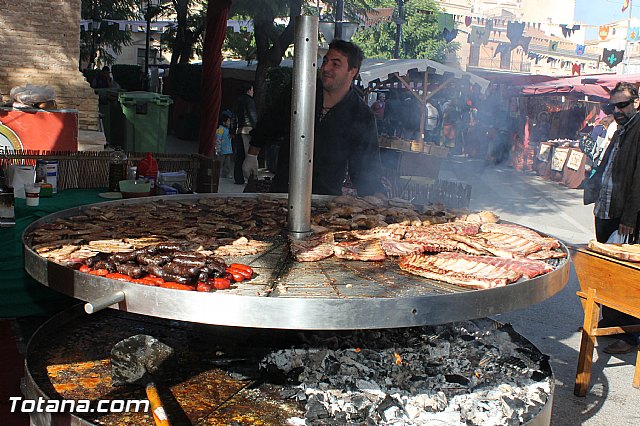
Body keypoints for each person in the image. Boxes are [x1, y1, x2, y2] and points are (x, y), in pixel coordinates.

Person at [242, 40, 383, 196]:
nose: (326, 68)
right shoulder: (300, 92)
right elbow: (270, 122)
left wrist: (376, 197)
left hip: (325, 199)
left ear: (353, 71)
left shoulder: (361, 115)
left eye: (335, 64)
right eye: (325, 61)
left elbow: (365, 169)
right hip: (283, 191)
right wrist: (252, 154)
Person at [587, 82, 640, 354]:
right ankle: (611, 322)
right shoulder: (620, 130)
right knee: (606, 269)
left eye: (623, 105)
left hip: (624, 215)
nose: (618, 110)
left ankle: (630, 335)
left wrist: (630, 217)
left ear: (636, 103)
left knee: (625, 276)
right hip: (605, 210)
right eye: (613, 106)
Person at [232, 82, 258, 184]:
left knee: (239, 156)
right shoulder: (250, 101)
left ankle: (238, 178)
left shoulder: (237, 100)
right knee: (250, 155)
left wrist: (232, 130)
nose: (253, 91)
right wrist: (256, 129)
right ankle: (252, 177)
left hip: (239, 129)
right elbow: (252, 115)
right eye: (252, 89)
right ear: (249, 90)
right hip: (248, 130)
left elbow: (233, 116)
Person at [215, 110, 234, 179]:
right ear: (224, 122)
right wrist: (218, 149)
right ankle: (218, 174)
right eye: (228, 121)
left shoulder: (228, 130)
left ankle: (226, 174)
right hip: (221, 150)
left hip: (228, 150)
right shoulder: (220, 129)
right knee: (219, 163)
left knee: (227, 164)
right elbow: (218, 139)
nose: (230, 123)